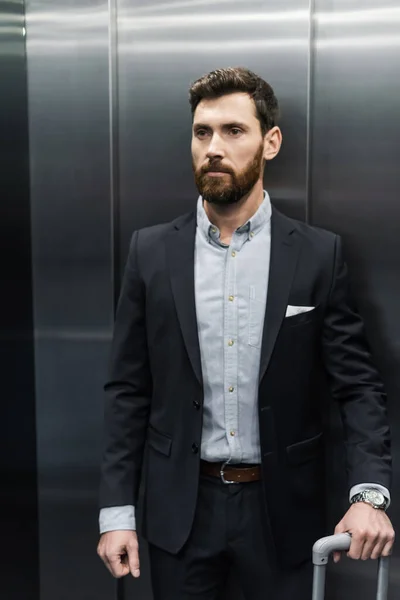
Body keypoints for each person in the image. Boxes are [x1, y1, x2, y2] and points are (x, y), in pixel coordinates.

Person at [97, 67, 394, 599]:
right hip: (179, 515)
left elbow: (357, 386)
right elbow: (127, 390)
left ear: (270, 142)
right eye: (202, 132)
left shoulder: (317, 253)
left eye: (234, 131)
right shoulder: (150, 252)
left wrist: (369, 495)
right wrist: (116, 511)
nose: (214, 147)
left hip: (283, 513)